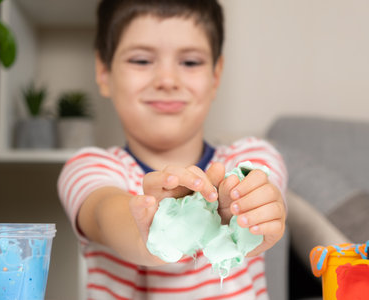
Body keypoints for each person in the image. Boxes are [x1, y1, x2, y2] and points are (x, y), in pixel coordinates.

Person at [57, 0, 287, 299]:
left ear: (216, 75)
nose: (167, 80)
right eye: (141, 61)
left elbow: (263, 188)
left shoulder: (252, 156)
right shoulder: (88, 167)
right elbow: (105, 214)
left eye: (190, 62)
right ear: (104, 71)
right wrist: (151, 228)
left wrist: (251, 210)